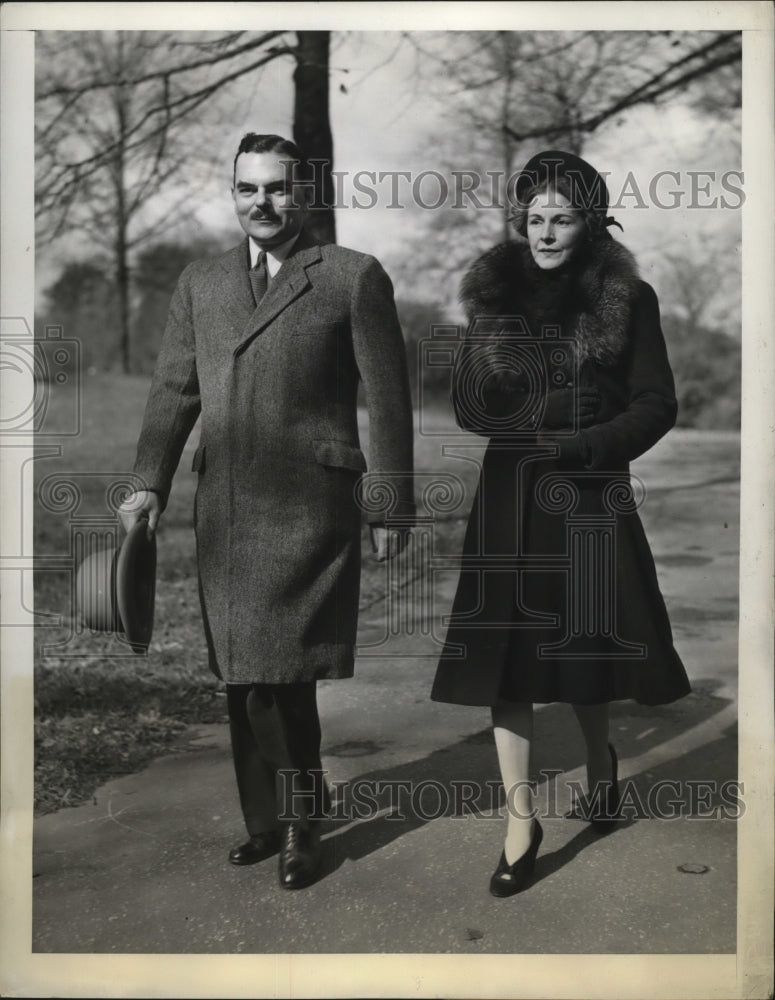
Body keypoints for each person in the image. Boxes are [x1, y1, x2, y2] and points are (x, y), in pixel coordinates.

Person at [119, 133, 414, 890]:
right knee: (243, 670)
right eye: (248, 189)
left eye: (278, 188)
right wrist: (148, 481)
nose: (263, 203)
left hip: (310, 508)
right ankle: (267, 821)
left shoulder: (350, 276)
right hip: (223, 507)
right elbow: (174, 390)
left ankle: (298, 824)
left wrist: (388, 504)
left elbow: (388, 400)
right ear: (233, 194)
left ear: (303, 193)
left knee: (279, 671)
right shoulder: (202, 282)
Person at [431, 150, 691, 897]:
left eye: (562, 219)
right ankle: (520, 824)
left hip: (585, 496)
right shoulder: (493, 296)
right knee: (505, 663)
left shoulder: (626, 297)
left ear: (591, 222)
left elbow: (656, 402)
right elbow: (468, 407)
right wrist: (534, 411)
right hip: (509, 495)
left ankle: (600, 762)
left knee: (582, 648)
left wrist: (590, 443)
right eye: (535, 218)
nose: (544, 233)